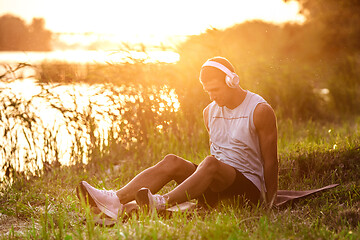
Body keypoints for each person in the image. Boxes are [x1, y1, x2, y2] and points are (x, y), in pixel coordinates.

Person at [78, 56, 279, 220]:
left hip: (247, 190)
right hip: (216, 187)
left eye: (215, 90)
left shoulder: (259, 110)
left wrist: (270, 202)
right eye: (207, 91)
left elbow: (271, 162)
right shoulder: (209, 112)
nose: (211, 96)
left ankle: (160, 202)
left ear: (232, 81)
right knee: (172, 161)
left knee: (210, 163)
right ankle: (115, 199)